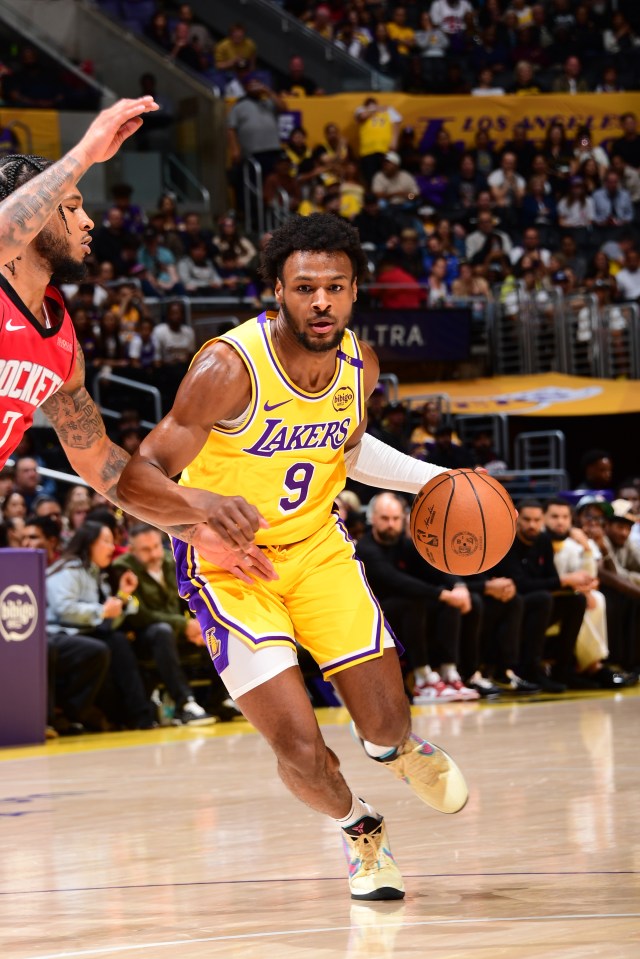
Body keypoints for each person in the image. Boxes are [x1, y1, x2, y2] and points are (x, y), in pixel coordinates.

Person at [116, 213, 469, 901]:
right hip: (230, 566)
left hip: (317, 550)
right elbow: (138, 476)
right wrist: (200, 508)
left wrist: (430, 478)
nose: (321, 301)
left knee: (386, 723)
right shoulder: (228, 366)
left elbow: (350, 448)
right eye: (305, 287)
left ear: (356, 290)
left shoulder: (358, 361)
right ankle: (359, 828)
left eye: (335, 287)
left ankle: (397, 749)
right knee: (300, 747)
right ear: (277, 290)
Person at [0, 96, 273, 583]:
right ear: (34, 215)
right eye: (72, 207)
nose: (89, 222)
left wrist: (194, 531)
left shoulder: (60, 338)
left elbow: (101, 464)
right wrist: (85, 150)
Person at [356, 491, 482, 702]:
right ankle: (423, 679)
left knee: (453, 604)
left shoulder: (405, 544)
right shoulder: (365, 548)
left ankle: (449, 673)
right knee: (414, 603)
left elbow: (435, 565)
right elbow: (395, 580)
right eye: (385, 519)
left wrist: (458, 586)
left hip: (411, 609)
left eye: (396, 519)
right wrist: (442, 594)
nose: (391, 524)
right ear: (372, 518)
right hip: (375, 613)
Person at [112, 524, 219, 724]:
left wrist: (196, 626)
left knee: (212, 625)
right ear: (132, 550)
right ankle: (184, 704)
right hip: (144, 636)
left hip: (179, 632)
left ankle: (222, 698)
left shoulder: (171, 561)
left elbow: (188, 598)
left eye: (156, 546)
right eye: (145, 549)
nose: (153, 554)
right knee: (162, 632)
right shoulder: (122, 567)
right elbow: (138, 615)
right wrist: (183, 625)